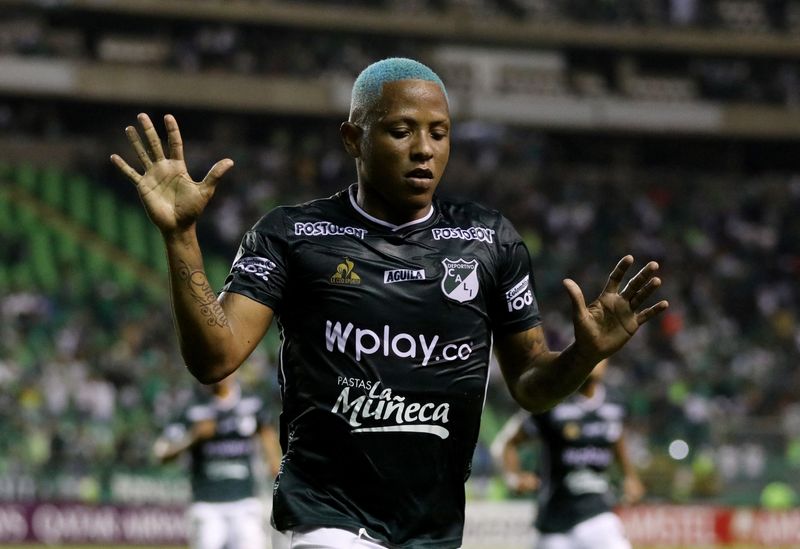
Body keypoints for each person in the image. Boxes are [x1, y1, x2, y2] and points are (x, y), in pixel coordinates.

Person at [111, 57, 668, 549]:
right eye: (401, 131)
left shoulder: (490, 242)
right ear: (354, 138)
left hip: (434, 526)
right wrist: (181, 237)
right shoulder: (292, 235)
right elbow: (215, 357)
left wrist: (582, 357)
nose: (424, 148)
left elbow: (531, 386)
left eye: (440, 132)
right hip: (328, 513)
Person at [491, 359, 644, 549]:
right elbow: (507, 443)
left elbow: (616, 437)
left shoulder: (616, 402)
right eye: (591, 354)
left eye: (601, 357)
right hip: (552, 522)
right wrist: (513, 477)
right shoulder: (551, 401)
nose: (595, 362)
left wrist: (630, 476)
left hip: (596, 515)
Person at [153, 373, 282, 549]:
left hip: (245, 501)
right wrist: (193, 437)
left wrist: (274, 463)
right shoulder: (193, 408)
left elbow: (267, 435)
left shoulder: (252, 403)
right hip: (207, 506)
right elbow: (161, 453)